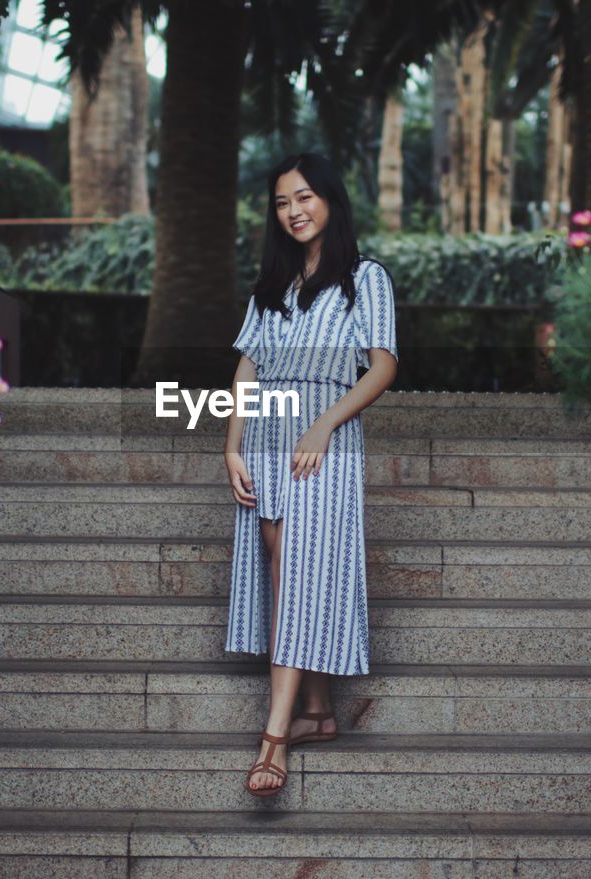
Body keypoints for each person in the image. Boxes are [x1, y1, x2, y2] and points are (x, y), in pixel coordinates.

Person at [223, 152, 398, 798]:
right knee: (278, 559)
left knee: (296, 563)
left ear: (329, 199)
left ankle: (273, 736)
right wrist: (231, 446)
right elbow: (246, 367)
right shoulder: (273, 283)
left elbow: (381, 366)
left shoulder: (365, 277)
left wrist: (325, 423)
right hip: (266, 432)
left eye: (303, 197)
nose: (293, 211)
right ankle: (318, 711)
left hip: (320, 440)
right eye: (281, 203)